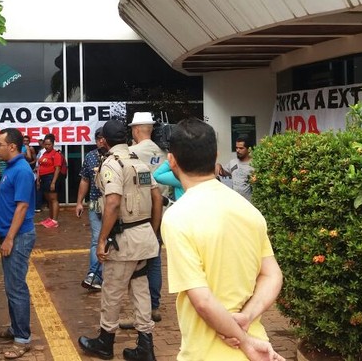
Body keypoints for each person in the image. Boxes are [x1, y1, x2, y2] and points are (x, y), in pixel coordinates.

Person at [161, 118, 285, 361]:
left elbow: (204, 301)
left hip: (207, 353)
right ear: (215, 155)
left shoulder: (178, 217)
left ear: (172, 160)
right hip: (259, 346)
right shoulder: (248, 210)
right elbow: (272, 274)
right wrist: (247, 318)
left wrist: (246, 342)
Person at [78, 119, 162, 361]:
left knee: (112, 289)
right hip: (144, 238)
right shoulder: (139, 163)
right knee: (140, 290)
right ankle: (146, 345)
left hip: (123, 240)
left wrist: (102, 240)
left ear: (104, 140)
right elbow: (157, 199)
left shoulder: (111, 165)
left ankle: (105, 341)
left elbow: (113, 202)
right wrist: (152, 231)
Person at [0, 128, 36, 360]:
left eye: (0, 144)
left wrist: (9, 238)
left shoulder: (21, 170)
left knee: (17, 288)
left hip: (18, 238)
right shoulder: (10, 168)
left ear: (12, 146)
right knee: (11, 286)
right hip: (10, 236)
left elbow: (21, 207)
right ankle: (15, 328)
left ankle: (22, 339)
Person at [125, 111, 167, 326]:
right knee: (156, 259)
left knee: (138, 262)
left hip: (141, 213)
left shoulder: (131, 152)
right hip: (164, 211)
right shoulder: (165, 151)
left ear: (136, 129)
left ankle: (142, 310)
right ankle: (155, 305)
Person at [75, 127, 106, 292]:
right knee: (96, 240)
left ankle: (111, 275)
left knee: (113, 240)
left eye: (103, 138)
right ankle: (94, 275)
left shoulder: (117, 156)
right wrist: (79, 202)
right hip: (95, 204)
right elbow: (85, 180)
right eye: (98, 138)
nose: (100, 141)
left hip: (114, 205)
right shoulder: (90, 156)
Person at [215, 135, 255, 200]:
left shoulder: (254, 164)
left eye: (241, 148)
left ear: (249, 149)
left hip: (250, 204)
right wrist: (219, 165)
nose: (238, 150)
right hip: (236, 202)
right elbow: (223, 173)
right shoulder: (233, 162)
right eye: (236, 148)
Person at [37, 134, 62, 228]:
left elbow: (57, 169)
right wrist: (38, 179)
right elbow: (40, 167)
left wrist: (53, 182)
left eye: (49, 144)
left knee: (53, 199)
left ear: (53, 144)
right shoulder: (44, 154)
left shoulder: (56, 154)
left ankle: (55, 220)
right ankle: (51, 218)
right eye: (46, 144)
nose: (47, 146)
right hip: (43, 179)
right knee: (48, 199)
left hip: (50, 178)